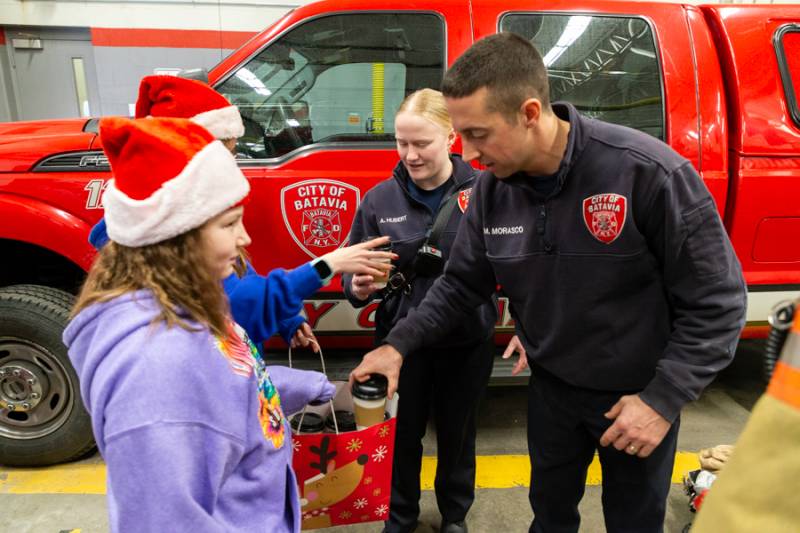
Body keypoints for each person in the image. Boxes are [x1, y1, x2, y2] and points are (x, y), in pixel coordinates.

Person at [351, 32, 747, 533]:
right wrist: (397, 347)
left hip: (636, 397)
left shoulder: (647, 174)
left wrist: (662, 400)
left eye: (477, 134)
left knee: (634, 523)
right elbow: (460, 286)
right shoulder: (492, 193)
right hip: (553, 391)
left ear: (530, 112)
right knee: (550, 516)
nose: (467, 153)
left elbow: (718, 303)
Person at [63, 116, 393, 532]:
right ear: (175, 239)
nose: (245, 240)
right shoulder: (155, 372)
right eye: (228, 224)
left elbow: (229, 388)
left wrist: (324, 391)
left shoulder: (191, 308)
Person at [88, 75, 384, 351]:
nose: (242, 237)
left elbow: (240, 271)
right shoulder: (162, 251)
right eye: (226, 153)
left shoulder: (177, 223)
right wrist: (327, 266)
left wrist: (287, 318)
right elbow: (242, 305)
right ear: (191, 157)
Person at [342, 89, 501, 533]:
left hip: (466, 341)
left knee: (458, 436)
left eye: (422, 143)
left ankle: (455, 516)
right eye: (401, 142)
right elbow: (353, 275)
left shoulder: (487, 191)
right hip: (399, 345)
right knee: (400, 437)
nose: (410, 155)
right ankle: (401, 516)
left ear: (451, 136)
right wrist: (356, 286)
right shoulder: (378, 201)